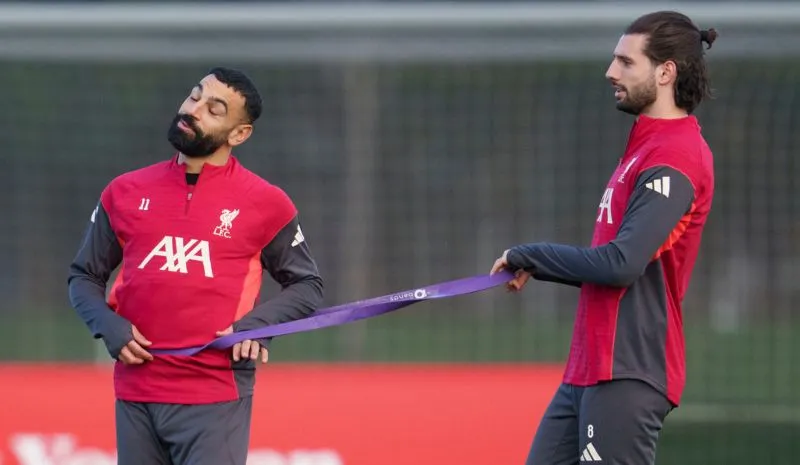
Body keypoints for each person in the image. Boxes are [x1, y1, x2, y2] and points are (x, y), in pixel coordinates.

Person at [490, 11, 718, 465]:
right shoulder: (645, 146)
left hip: (628, 369)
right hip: (589, 369)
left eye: (626, 62)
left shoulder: (676, 155)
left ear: (666, 72)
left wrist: (532, 255)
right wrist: (533, 263)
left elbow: (621, 264)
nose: (610, 72)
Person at [67, 67, 324, 465]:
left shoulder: (267, 203)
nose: (193, 109)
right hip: (136, 391)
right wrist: (107, 325)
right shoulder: (124, 191)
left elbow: (307, 286)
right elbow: (83, 276)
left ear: (239, 134)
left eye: (214, 109)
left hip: (215, 393)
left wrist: (258, 327)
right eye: (194, 96)